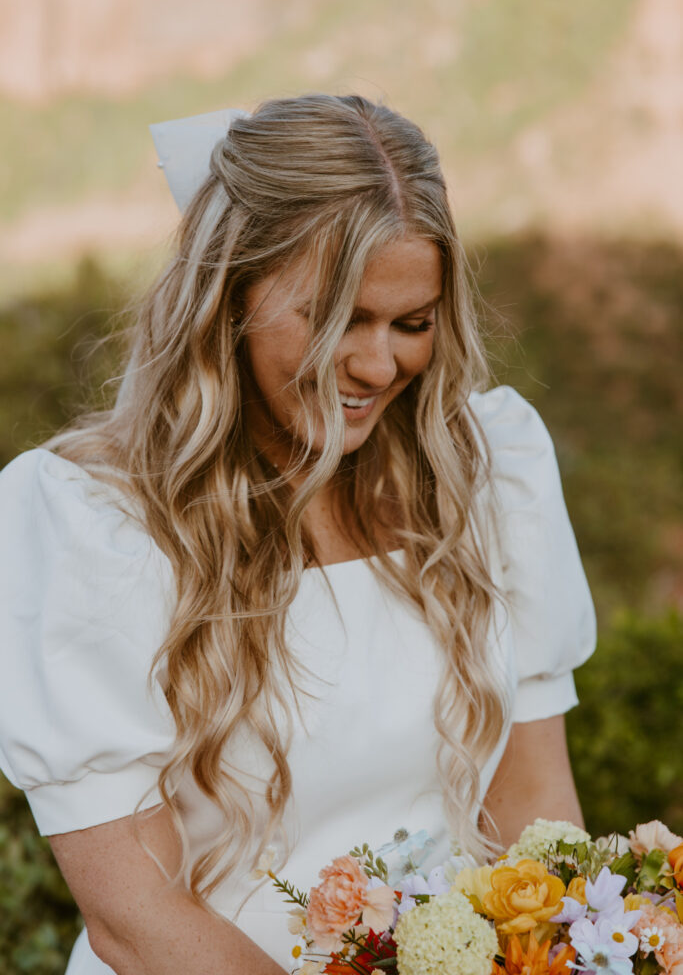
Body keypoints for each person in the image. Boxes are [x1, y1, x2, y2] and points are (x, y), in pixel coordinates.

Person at [0, 94, 596, 974]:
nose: (375, 365)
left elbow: (534, 800)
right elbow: (134, 913)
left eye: (411, 323)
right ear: (226, 295)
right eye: (334, 319)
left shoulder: (489, 468)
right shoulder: (92, 520)